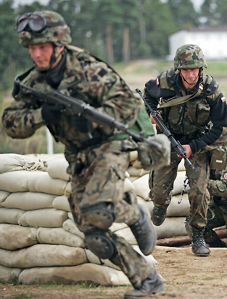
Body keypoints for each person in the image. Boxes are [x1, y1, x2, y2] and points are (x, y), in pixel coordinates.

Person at [3, 11, 169, 298]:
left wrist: (93, 119)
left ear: (59, 45)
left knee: (99, 212)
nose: (37, 54)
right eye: (32, 49)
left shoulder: (88, 69)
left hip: (110, 146)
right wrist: (42, 114)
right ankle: (147, 278)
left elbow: (129, 103)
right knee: (94, 236)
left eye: (43, 47)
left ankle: (132, 212)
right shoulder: (33, 83)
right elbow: (11, 123)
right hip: (77, 156)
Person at [143, 44, 227, 257]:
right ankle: (160, 205)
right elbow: (147, 94)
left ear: (202, 69)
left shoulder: (211, 89)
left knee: (199, 192)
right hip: (169, 140)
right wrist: (152, 113)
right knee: (159, 191)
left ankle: (198, 235)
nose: (191, 74)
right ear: (178, 69)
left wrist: (194, 146)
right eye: (186, 70)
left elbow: (223, 128)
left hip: (198, 144)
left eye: (195, 69)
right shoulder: (165, 81)